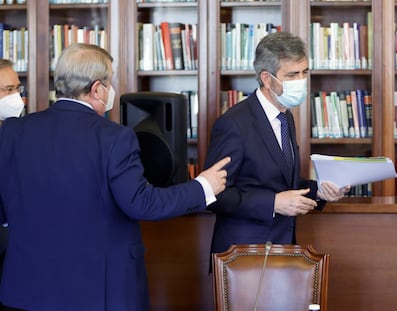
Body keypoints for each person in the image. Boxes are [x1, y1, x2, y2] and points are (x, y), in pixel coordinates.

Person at [0, 43, 230, 311]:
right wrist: (203, 187)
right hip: (96, 290)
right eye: (110, 83)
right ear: (97, 88)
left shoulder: (13, 132)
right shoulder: (114, 137)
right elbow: (141, 203)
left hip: (27, 288)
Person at [204, 32, 350, 261]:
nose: (300, 81)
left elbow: (281, 182)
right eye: (291, 75)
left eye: (304, 73)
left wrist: (319, 190)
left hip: (281, 248)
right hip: (243, 256)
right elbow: (214, 195)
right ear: (267, 78)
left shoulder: (285, 117)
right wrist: (273, 203)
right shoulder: (233, 124)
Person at [0, 59, 26, 311]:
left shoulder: (18, 132)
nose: (16, 97)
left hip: (16, 251)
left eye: (18, 88)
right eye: (8, 90)